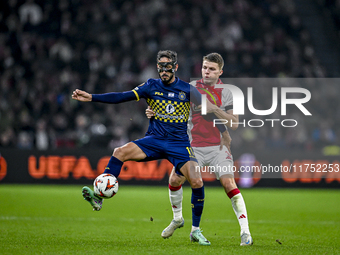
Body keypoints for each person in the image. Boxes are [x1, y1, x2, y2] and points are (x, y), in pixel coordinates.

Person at [72, 50, 220, 246]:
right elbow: (122, 96)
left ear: (175, 67)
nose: (164, 70)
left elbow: (207, 110)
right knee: (119, 152)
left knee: (197, 180)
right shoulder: (150, 86)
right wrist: (92, 97)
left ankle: (195, 230)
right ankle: (99, 198)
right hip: (154, 139)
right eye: (161, 66)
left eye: (168, 67)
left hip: (179, 143)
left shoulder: (188, 90)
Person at [146, 53, 253, 246]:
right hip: (192, 145)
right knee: (174, 179)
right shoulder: (191, 88)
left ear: (221, 71)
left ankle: (245, 232)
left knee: (229, 185)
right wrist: (154, 112)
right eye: (205, 67)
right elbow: (172, 107)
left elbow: (235, 123)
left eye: (212, 69)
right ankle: (178, 218)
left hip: (217, 147)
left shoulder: (228, 92)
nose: (207, 71)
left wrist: (215, 110)